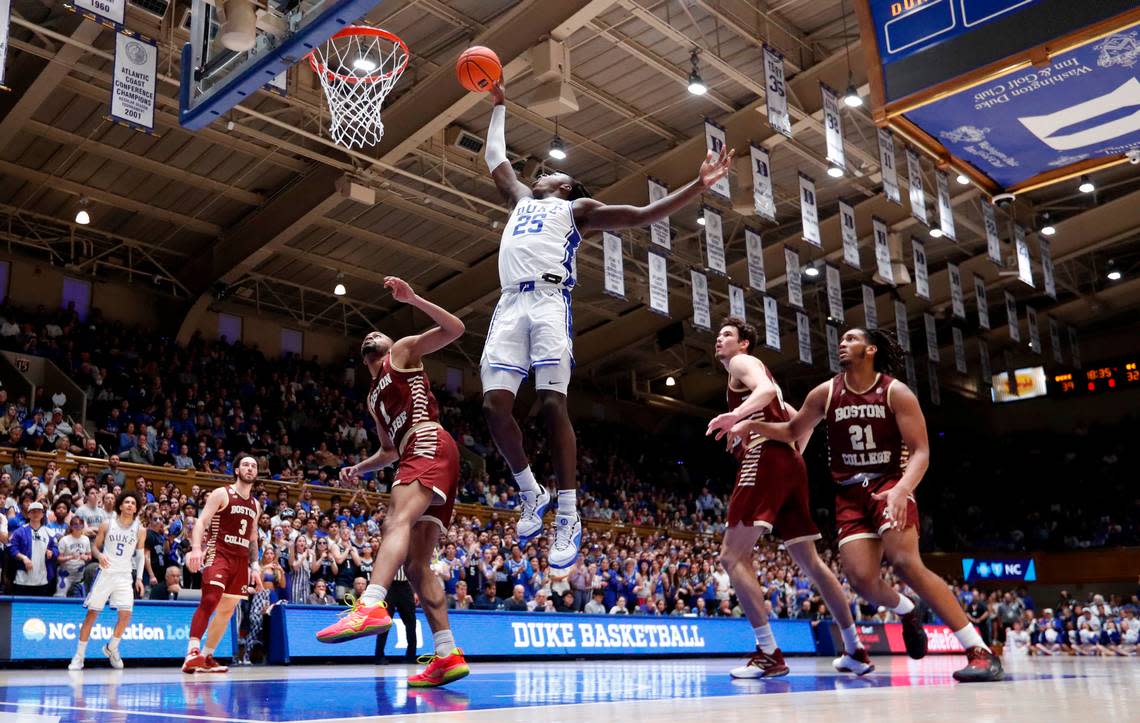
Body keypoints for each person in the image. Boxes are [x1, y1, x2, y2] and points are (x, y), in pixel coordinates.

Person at [479, 80, 735, 569]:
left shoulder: (578, 209)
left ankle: (569, 514)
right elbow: (495, 157)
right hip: (510, 305)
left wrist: (698, 185)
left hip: (551, 302)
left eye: (554, 172)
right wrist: (499, 105)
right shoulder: (520, 200)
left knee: (553, 404)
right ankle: (532, 494)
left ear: (568, 187)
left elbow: (643, 215)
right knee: (493, 407)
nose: (543, 172)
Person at [740, 327, 1002, 682]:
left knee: (905, 562)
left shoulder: (896, 392)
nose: (842, 344)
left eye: (851, 339)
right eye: (841, 340)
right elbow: (791, 431)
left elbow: (922, 450)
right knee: (861, 579)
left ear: (871, 349)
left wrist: (902, 489)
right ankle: (908, 610)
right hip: (849, 493)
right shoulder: (826, 392)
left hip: (889, 483)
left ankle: (979, 650)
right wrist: (746, 423)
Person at [315, 277, 469, 688]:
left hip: (427, 439)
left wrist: (414, 297)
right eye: (367, 337)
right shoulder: (373, 399)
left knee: (394, 522)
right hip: (424, 450)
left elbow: (455, 330)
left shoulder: (400, 353)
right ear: (361, 357)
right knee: (418, 566)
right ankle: (446, 653)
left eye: (376, 332)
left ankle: (370, 603)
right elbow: (388, 451)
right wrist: (358, 469)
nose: (373, 334)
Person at [705, 318, 872, 678]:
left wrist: (736, 416)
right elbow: (802, 422)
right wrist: (793, 453)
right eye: (718, 335)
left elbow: (763, 391)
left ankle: (768, 653)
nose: (720, 339)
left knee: (731, 557)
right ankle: (854, 647)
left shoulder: (741, 364)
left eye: (728, 335)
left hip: (765, 458)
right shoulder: (758, 376)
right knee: (810, 562)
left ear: (744, 344)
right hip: (790, 464)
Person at [182, 455, 262, 674]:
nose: (250, 468)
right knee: (210, 599)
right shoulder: (221, 493)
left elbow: (253, 537)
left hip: (240, 561)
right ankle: (192, 652)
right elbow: (201, 521)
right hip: (219, 553)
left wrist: (255, 566)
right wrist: (197, 548)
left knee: (227, 611)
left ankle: (207, 656)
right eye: (245, 464)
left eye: (254, 466)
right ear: (237, 470)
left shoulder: (256, 504)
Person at [68, 491, 146, 670]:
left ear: (136, 508)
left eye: (133, 503)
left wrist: (139, 578)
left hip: (125, 576)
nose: (130, 505)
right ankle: (79, 657)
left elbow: (141, 557)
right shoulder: (107, 524)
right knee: (92, 614)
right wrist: (100, 555)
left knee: (126, 615)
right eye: (126, 502)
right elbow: (94, 548)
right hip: (106, 574)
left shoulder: (140, 530)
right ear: (120, 505)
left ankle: (111, 647)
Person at [9, 501, 57, 595]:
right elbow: (12, 549)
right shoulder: (20, 531)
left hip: (42, 580)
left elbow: (55, 549)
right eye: (33, 511)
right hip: (22, 580)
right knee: (21, 608)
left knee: (39, 609)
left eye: (39, 511)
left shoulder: (49, 532)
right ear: (28, 514)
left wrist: (51, 552)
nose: (36, 514)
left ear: (43, 514)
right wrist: (24, 558)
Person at [56, 516, 92, 597]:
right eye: (76, 525)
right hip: (65, 574)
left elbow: (89, 556)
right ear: (71, 526)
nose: (78, 527)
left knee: (81, 596)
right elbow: (58, 559)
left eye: (81, 525)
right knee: (61, 595)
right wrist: (71, 557)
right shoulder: (64, 540)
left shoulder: (86, 539)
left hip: (80, 574)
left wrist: (86, 557)